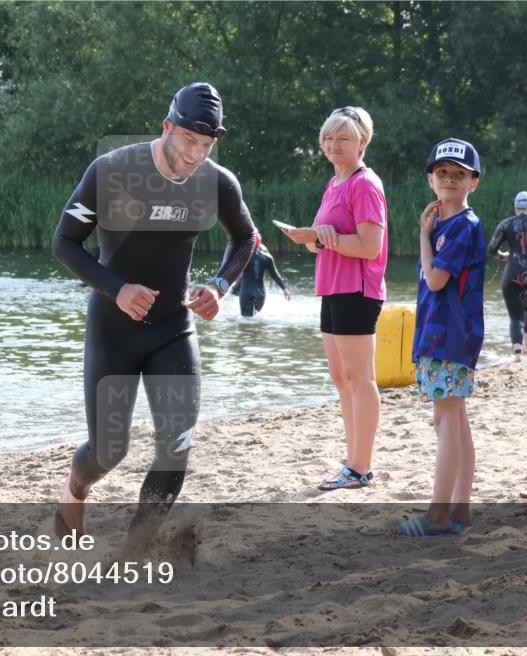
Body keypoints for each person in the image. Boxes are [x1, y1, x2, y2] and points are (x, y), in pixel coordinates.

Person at [51, 83, 257, 542]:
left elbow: (246, 238)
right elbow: (64, 242)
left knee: (176, 447)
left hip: (172, 329)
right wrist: (116, 288)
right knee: (108, 452)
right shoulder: (112, 170)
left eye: (207, 145)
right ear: (167, 127)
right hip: (113, 330)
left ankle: (136, 548)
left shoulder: (217, 181)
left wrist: (221, 286)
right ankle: (74, 489)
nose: (196, 155)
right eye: (189, 141)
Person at [279, 106, 387, 491]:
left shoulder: (365, 183)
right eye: (328, 137)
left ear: (362, 141)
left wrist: (324, 237)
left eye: (342, 137)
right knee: (342, 379)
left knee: (361, 379)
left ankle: (361, 467)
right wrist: (309, 237)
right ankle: (352, 461)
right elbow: (326, 243)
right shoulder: (334, 182)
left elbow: (370, 246)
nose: (333, 144)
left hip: (357, 289)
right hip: (331, 287)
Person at [399, 138, 486, 537]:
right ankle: (460, 509)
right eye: (443, 172)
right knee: (455, 419)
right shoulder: (448, 226)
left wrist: (422, 235)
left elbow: (435, 280)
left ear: (474, 182)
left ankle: (438, 514)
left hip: (449, 336)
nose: (450, 179)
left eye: (460, 174)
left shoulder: (461, 226)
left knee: (446, 418)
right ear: (430, 180)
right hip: (445, 334)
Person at [488, 191, 527, 360]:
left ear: (516, 207)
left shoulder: (505, 224)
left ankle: (517, 353)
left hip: (512, 273)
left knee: (515, 316)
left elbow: (491, 248)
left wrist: (503, 256)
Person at [231, 238, 290, 317]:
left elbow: (232, 271)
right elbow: (275, 275)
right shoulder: (267, 257)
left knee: (246, 321)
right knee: (255, 318)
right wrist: (284, 289)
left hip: (246, 293)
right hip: (260, 294)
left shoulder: (242, 255)